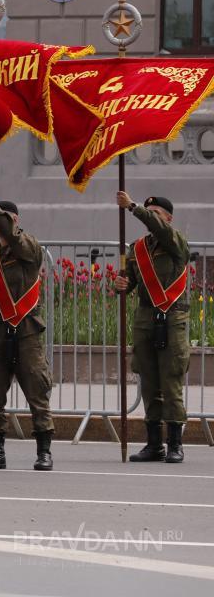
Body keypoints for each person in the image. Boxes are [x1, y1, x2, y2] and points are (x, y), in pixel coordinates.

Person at [0, 188, 54, 471]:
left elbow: (15, 238)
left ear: (14, 220)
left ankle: (44, 451)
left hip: (27, 331)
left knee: (36, 390)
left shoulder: (29, 247)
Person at [115, 192, 190, 464]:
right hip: (146, 320)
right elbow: (130, 280)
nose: (153, 217)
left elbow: (160, 230)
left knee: (171, 382)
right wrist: (121, 285)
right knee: (148, 383)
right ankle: (154, 444)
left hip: (172, 319)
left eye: (158, 213)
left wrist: (133, 207)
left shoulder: (175, 241)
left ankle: (175, 444)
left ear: (168, 218)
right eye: (151, 212)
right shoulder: (137, 249)